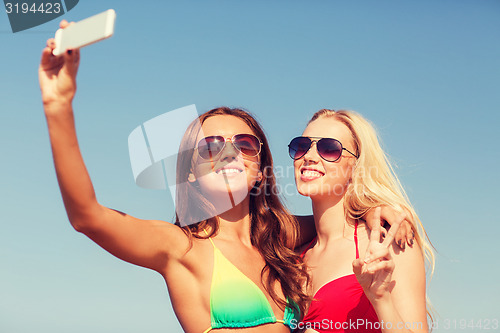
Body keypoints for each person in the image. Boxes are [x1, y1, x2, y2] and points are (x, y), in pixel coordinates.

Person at [39, 21, 413, 333]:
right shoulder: (179, 247)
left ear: (260, 168)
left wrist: (377, 209)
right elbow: (86, 216)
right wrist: (58, 106)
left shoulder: (281, 236)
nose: (229, 153)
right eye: (211, 146)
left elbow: (336, 220)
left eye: (245, 145)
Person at [289, 109, 434, 333]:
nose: (309, 156)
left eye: (329, 149)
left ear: (355, 168)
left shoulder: (388, 241)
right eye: (302, 145)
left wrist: (381, 298)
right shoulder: (291, 253)